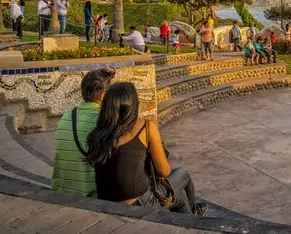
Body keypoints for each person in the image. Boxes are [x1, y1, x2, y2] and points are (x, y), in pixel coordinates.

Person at [86, 83, 204, 214]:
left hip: (106, 201)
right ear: (133, 105)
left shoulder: (96, 134)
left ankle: (192, 212)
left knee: (176, 197)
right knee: (183, 176)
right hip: (139, 203)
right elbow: (164, 171)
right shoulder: (145, 126)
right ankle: (195, 212)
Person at [52, 69, 115, 197]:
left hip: (61, 192)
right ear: (103, 95)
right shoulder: (104, 120)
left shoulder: (67, 115)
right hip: (89, 196)